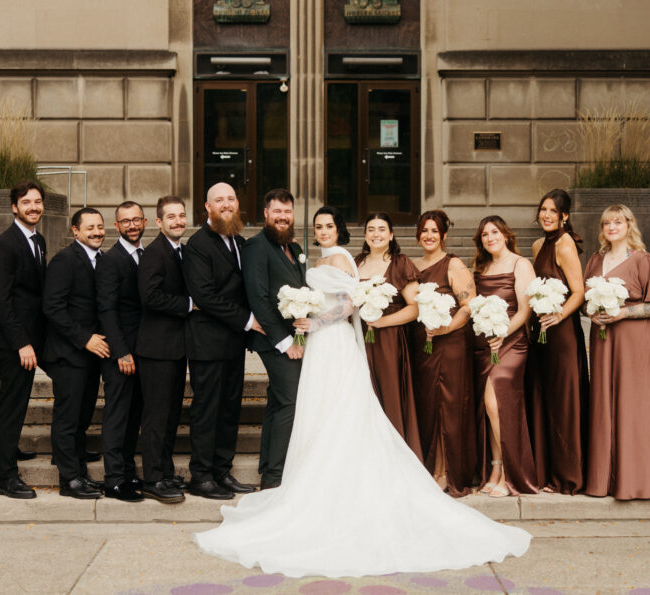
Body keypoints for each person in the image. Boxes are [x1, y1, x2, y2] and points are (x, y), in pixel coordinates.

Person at [195, 206, 531, 578]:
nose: (323, 231)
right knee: (322, 410)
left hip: (333, 340)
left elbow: (350, 301)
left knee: (339, 408)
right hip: (322, 344)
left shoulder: (339, 257)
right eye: (318, 226)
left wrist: (317, 319)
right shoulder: (326, 256)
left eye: (329, 225)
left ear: (339, 229)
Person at [583, 205, 650, 500]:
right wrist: (591, 312)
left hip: (634, 338)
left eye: (617, 221)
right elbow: (585, 300)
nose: (612, 227)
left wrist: (623, 313)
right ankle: (602, 480)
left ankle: (635, 482)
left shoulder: (643, 260)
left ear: (629, 225)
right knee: (603, 403)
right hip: (603, 337)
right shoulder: (595, 259)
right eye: (607, 222)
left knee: (632, 405)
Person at [183, 182, 261, 500]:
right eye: (219, 200)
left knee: (230, 409)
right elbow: (205, 296)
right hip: (207, 343)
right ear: (208, 207)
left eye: (231, 199)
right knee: (207, 409)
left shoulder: (240, 242)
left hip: (232, 343)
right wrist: (249, 320)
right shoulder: (198, 244)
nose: (226, 204)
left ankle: (221, 471)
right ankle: (200, 476)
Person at [40, 207, 109, 500]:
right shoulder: (64, 261)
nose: (96, 232)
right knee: (68, 418)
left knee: (82, 417)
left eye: (100, 227)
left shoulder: (101, 260)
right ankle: (69, 480)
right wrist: (85, 339)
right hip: (69, 354)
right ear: (75, 231)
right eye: (89, 227)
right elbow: (52, 307)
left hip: (92, 355)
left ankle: (79, 469)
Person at [241, 188, 306, 490]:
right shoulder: (256, 246)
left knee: (278, 402)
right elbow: (258, 297)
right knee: (290, 401)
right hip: (274, 342)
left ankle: (268, 467)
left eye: (287, 211)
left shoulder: (292, 247)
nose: (282, 217)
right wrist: (286, 342)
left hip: (294, 337)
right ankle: (275, 478)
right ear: (265, 214)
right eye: (276, 211)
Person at [0, 180, 48, 500]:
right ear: (15, 207)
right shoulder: (6, 245)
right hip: (16, 342)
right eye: (27, 203)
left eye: (38, 202)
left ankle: (4, 451)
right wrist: (22, 342)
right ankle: (5, 476)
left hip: (32, 338)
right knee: (12, 405)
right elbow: (2, 300)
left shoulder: (37, 239)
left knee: (18, 401)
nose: (34, 207)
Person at [526, 188, 589, 495]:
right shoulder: (538, 244)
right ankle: (544, 472)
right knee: (542, 397)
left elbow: (578, 292)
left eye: (553, 211)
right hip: (541, 335)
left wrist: (559, 316)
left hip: (561, 333)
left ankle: (568, 476)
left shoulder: (565, 244)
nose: (547, 215)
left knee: (563, 401)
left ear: (565, 216)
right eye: (543, 209)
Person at [410, 210, 477, 496]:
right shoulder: (412, 266)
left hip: (449, 345)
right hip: (422, 346)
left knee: (446, 405)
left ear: (444, 235)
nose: (428, 236)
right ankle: (428, 468)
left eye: (434, 231)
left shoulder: (454, 265)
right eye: (424, 231)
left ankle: (446, 471)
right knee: (427, 405)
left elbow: (468, 306)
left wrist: (445, 329)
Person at [471, 216, 538, 497]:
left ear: (506, 234)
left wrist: (503, 333)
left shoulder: (520, 264)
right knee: (491, 407)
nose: (490, 238)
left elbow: (525, 311)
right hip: (485, 343)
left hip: (512, 341)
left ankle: (511, 472)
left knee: (494, 401)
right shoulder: (480, 266)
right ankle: (496, 468)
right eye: (484, 234)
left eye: (494, 232)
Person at [136, 196, 193, 504]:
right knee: (157, 416)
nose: (177, 221)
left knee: (171, 415)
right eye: (171, 217)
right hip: (156, 349)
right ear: (159, 222)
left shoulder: (180, 251)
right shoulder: (154, 253)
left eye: (181, 215)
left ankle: (165, 471)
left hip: (174, 348)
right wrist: (188, 304)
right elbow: (150, 296)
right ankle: (153, 479)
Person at [354, 212, 421, 460]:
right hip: (360, 338)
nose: (376, 234)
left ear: (391, 235)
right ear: (365, 235)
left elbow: (414, 308)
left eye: (382, 229)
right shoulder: (356, 262)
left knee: (389, 394)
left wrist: (381, 322)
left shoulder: (401, 263)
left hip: (390, 339)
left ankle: (394, 458)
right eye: (371, 229)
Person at [96, 201, 148, 502]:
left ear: (144, 222)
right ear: (117, 226)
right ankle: (114, 479)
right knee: (117, 416)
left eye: (136, 220)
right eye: (125, 221)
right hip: (121, 353)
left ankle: (128, 472)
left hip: (144, 351)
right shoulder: (110, 260)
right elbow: (107, 310)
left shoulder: (147, 255)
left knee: (134, 415)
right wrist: (121, 352)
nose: (132, 225)